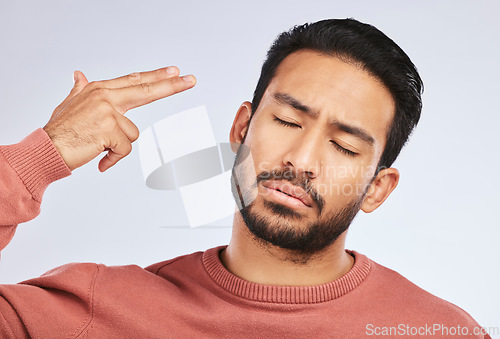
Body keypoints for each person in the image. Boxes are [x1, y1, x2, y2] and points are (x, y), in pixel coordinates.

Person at [0, 18, 490, 338]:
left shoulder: (442, 332)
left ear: (377, 190)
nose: (301, 158)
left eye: (344, 145)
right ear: (241, 129)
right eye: (287, 121)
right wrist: (39, 158)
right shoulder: (94, 311)